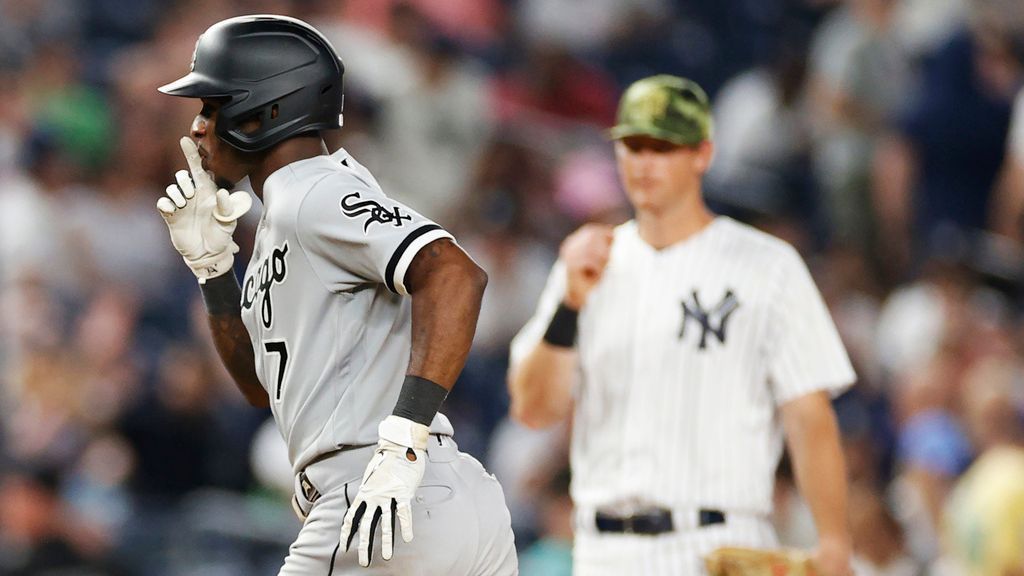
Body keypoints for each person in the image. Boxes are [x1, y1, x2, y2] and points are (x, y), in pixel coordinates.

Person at [154, 15, 517, 575]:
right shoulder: (286, 216)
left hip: (379, 493)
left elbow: (454, 275)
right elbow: (258, 389)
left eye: (213, 105)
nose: (199, 126)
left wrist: (402, 442)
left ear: (267, 110)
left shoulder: (314, 192)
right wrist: (215, 269)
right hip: (440, 502)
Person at [508, 74, 857, 575]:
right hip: (603, 548)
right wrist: (569, 305)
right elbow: (534, 409)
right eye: (633, 145)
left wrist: (835, 540)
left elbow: (809, 414)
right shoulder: (587, 264)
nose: (644, 162)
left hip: (719, 544)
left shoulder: (768, 265)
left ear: (702, 154)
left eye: (663, 147)